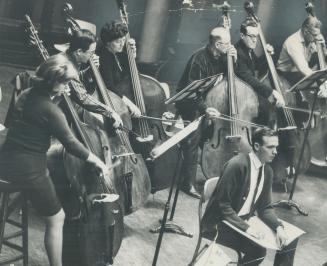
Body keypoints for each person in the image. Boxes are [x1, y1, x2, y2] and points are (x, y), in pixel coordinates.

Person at [0, 54, 109, 266]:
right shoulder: (51, 110)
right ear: (53, 82)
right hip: (29, 169)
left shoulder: (26, 94)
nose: (68, 87)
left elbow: (32, 120)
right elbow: (70, 143)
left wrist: (57, 95)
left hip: (6, 160)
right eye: (66, 82)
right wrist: (96, 159)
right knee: (57, 218)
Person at [202, 128, 299, 266]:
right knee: (258, 251)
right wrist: (247, 228)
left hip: (244, 220)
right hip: (219, 224)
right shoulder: (236, 165)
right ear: (257, 146)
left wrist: (278, 227)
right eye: (270, 147)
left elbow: (265, 207)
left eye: (276, 147)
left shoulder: (267, 171)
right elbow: (222, 204)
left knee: (289, 239)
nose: (275, 152)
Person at [176, 27, 230, 198]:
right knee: (193, 140)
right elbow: (192, 92)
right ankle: (187, 183)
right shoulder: (198, 59)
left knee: (207, 137)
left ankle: (214, 176)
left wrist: (232, 61)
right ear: (218, 44)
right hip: (189, 104)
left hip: (207, 103)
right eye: (227, 44)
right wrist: (205, 109)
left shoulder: (222, 57)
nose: (230, 46)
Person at [64, 28, 123, 127]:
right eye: (91, 52)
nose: (93, 56)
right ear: (79, 51)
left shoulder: (70, 57)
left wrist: (90, 70)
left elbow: (76, 79)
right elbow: (82, 97)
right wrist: (110, 112)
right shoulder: (68, 66)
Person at [235, 19, 285, 127]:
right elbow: (248, 78)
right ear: (242, 35)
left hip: (247, 89)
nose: (255, 40)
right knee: (264, 108)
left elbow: (257, 65)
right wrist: (271, 91)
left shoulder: (248, 49)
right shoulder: (238, 53)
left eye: (256, 36)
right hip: (240, 92)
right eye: (251, 36)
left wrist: (267, 55)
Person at [96, 20, 141, 118]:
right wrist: (130, 104)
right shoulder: (103, 56)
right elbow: (109, 86)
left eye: (123, 40)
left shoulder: (118, 53)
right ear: (108, 42)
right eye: (118, 42)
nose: (122, 44)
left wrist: (132, 56)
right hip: (109, 100)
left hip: (119, 96)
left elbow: (131, 74)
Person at [277, 16, 327, 97]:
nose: (317, 38)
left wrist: (324, 47)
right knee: (317, 87)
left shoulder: (312, 37)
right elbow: (304, 69)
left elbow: (323, 58)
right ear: (306, 31)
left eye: (318, 35)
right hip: (287, 74)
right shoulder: (293, 42)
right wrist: (321, 85)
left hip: (302, 69)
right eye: (315, 35)